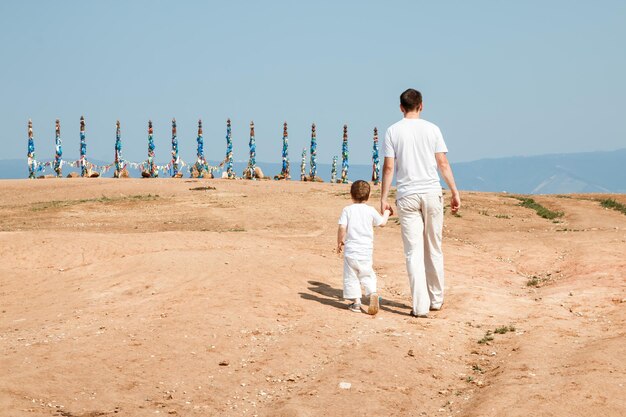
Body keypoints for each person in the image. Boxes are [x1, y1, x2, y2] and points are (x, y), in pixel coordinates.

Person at [380, 88, 460, 318]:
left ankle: (420, 305)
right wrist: (454, 191)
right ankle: (436, 299)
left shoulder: (393, 131)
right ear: (421, 106)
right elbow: (442, 163)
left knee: (413, 251)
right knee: (434, 247)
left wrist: (384, 197)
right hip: (432, 192)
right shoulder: (432, 129)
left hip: (407, 194)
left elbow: (388, 167)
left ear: (401, 107)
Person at [337, 180, 391, 314]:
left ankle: (356, 303)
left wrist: (339, 241)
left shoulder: (347, 210)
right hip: (366, 251)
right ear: (368, 196)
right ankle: (372, 293)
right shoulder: (370, 210)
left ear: (351, 195)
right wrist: (387, 213)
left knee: (351, 276)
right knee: (366, 273)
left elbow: (342, 227)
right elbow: (382, 223)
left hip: (351, 251)